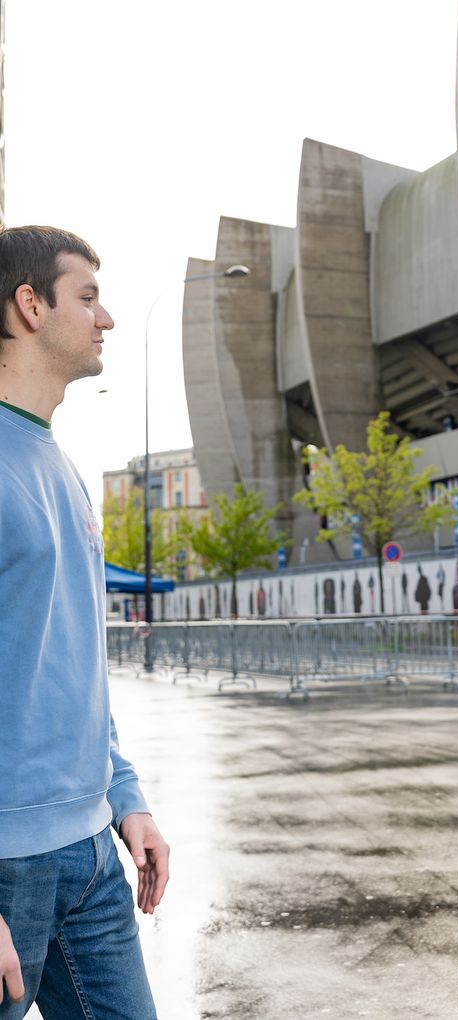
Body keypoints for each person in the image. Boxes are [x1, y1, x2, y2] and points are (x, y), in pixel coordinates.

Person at [0, 226, 169, 1019]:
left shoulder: (60, 464)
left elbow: (74, 664)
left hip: (92, 854)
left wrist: (126, 796)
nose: (104, 320)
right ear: (30, 305)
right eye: (88, 298)